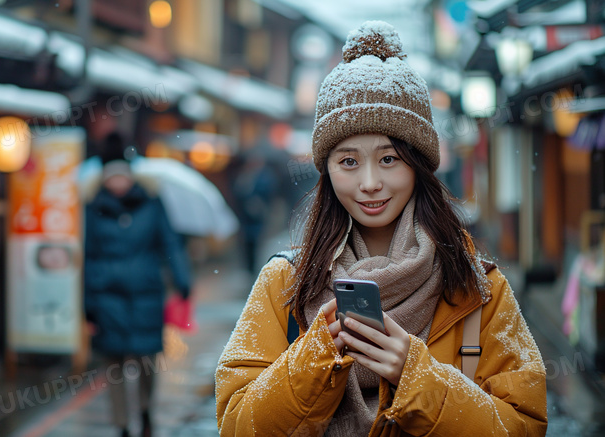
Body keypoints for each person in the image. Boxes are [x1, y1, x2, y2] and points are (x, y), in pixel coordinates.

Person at [215, 21, 547, 436]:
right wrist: (316, 356)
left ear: (418, 163)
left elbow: (524, 426)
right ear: (328, 170)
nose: (370, 182)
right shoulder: (284, 283)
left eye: (389, 159)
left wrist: (416, 377)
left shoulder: (479, 290)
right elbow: (236, 426)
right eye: (349, 161)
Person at [83, 132, 191, 437]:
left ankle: (144, 411)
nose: (118, 183)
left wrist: (182, 280)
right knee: (113, 366)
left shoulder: (152, 203)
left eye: (122, 176)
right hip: (107, 297)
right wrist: (87, 307)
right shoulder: (93, 209)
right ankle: (121, 425)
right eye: (111, 177)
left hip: (145, 293)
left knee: (146, 362)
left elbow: (170, 243)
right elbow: (87, 257)